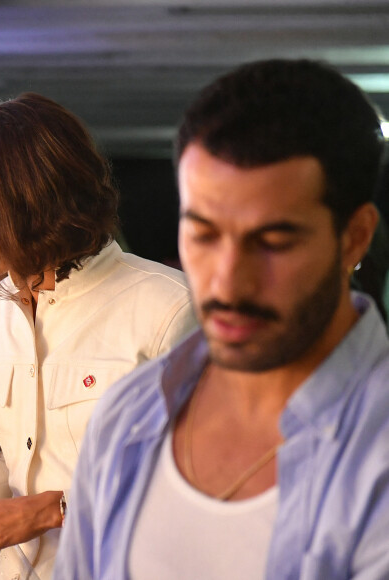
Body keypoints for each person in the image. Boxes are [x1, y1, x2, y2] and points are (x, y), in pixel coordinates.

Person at [53, 59, 389, 579]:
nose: (229, 281)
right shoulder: (131, 414)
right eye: (204, 235)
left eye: (274, 242)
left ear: (355, 237)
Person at [0, 92, 197, 579]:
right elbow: (24, 456)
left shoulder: (169, 309)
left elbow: (209, 485)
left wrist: (51, 511)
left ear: (33, 204)